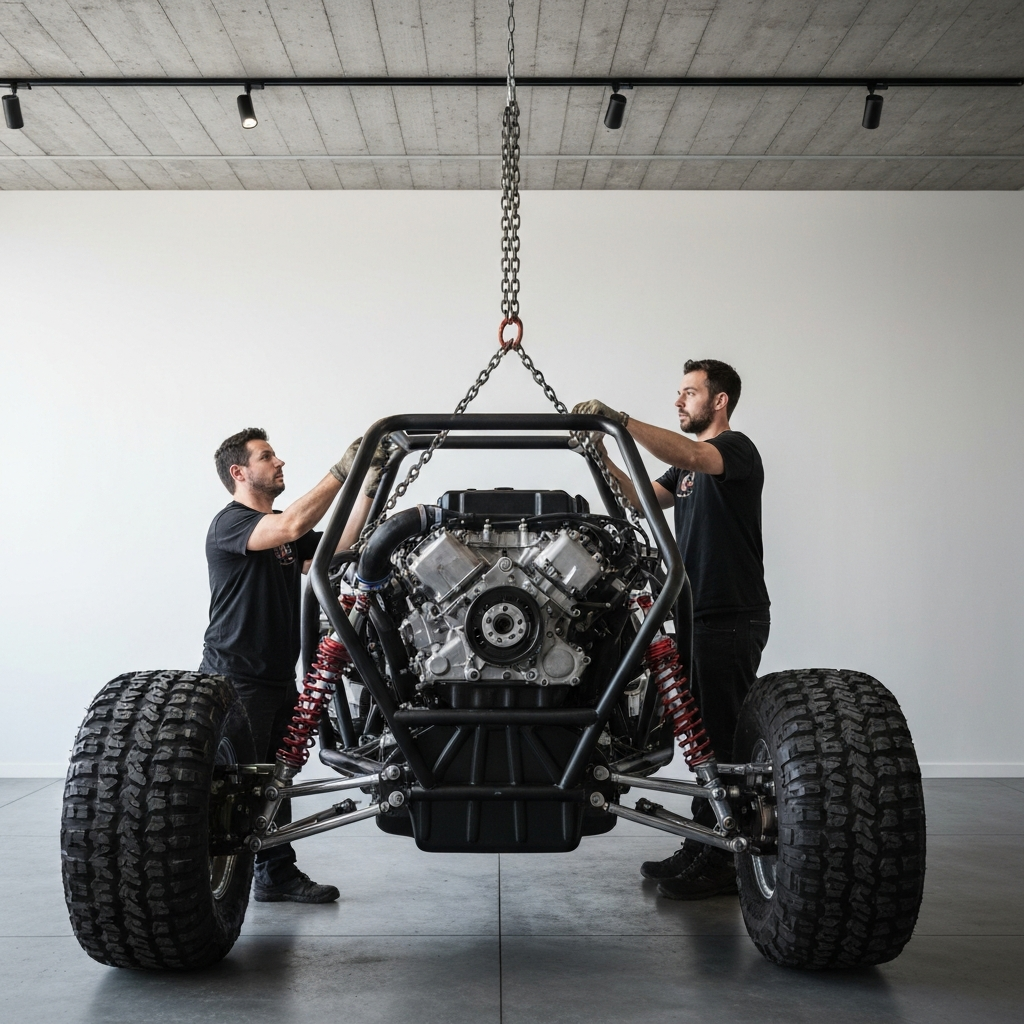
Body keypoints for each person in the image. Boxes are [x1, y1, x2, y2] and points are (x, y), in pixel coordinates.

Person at [573, 358, 770, 901]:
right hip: (694, 613)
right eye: (679, 393)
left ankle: (725, 858)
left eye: (690, 392)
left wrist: (622, 422)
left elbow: (693, 454)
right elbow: (638, 500)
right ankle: (705, 841)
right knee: (703, 736)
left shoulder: (733, 451)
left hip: (729, 613)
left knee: (722, 739)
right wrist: (601, 454)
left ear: (720, 401)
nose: (679, 401)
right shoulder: (684, 473)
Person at [200, 427, 387, 904]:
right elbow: (290, 527)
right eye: (267, 456)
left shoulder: (282, 531)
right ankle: (211, 884)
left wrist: (369, 484)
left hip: (277, 676)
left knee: (275, 778)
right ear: (239, 473)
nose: (279, 461)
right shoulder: (231, 524)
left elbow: (339, 546)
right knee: (238, 783)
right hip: (236, 678)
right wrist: (342, 470)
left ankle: (276, 873)